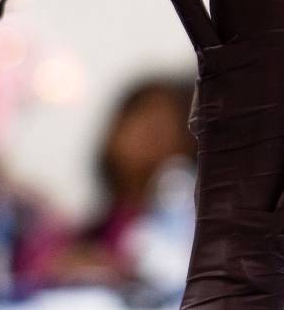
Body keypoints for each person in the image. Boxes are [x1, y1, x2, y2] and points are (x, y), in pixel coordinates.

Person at [47, 76, 196, 286]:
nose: (146, 134)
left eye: (162, 125)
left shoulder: (190, 228)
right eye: (139, 116)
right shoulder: (79, 235)